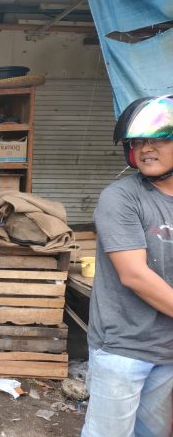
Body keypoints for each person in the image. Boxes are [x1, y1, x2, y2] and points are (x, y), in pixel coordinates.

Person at [82, 95, 173, 437]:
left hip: (168, 350)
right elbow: (134, 274)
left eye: (158, 139)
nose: (146, 149)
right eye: (138, 142)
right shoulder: (121, 197)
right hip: (123, 348)